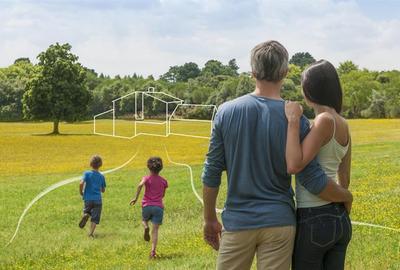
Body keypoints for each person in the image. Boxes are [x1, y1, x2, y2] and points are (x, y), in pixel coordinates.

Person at [202, 40, 353, 270]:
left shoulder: (225, 112)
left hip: (238, 222)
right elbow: (310, 177)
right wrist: (345, 196)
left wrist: (210, 218)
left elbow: (212, 170)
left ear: (252, 73)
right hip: (280, 222)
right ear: (284, 72)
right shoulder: (297, 119)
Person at [285, 60, 352, 270]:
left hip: (314, 216)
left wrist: (293, 122)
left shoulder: (324, 120)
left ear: (309, 90)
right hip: (339, 218)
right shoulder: (343, 123)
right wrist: (343, 201)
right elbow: (345, 179)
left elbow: (295, 165)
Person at [130, 157, 168, 259]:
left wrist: (135, 198)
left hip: (147, 206)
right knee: (155, 230)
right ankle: (153, 252)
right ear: (161, 168)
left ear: (149, 167)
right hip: (158, 207)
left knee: (144, 220)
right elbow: (163, 195)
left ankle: (146, 227)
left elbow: (140, 185)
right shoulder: (164, 181)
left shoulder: (146, 178)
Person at [79, 155, 106, 238]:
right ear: (100, 164)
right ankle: (91, 234)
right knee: (95, 217)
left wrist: (81, 191)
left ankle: (86, 215)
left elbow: (81, 183)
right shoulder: (101, 176)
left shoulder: (86, 173)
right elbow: (103, 190)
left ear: (91, 164)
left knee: (86, 211)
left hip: (88, 198)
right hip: (98, 199)